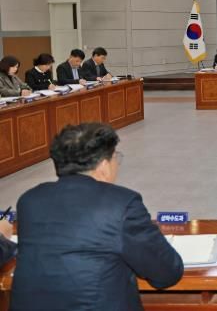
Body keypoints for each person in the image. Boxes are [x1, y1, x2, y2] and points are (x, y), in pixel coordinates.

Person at [9, 123, 183, 310]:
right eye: (115, 158)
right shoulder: (121, 203)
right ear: (104, 166)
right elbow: (167, 273)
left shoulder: (29, 200)